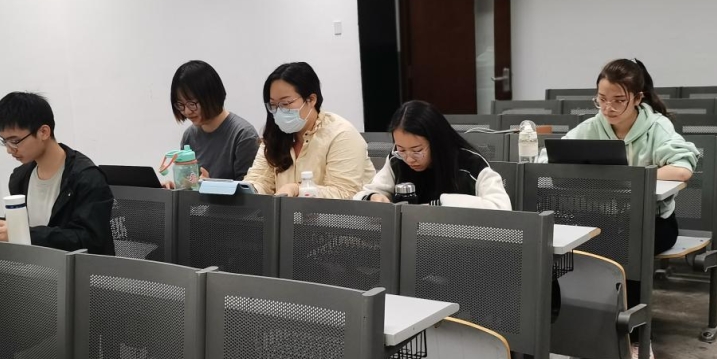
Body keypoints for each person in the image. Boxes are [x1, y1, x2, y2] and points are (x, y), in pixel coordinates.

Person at [543, 58, 699, 359]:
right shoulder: (592, 127)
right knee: (566, 250)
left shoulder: (656, 127)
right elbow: (548, 159)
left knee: (625, 249)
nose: (608, 108)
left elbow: (683, 168)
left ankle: (639, 343)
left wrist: (632, 176)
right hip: (604, 220)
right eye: (601, 99)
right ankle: (573, 336)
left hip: (653, 223)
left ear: (638, 98)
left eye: (618, 100)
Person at [0, 92, 115, 255]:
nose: (10, 150)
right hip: (34, 265)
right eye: (4, 141)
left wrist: (24, 233)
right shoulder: (20, 177)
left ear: (43, 132)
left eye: (15, 141)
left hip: (76, 269)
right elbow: (28, 226)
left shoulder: (87, 178)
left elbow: (90, 241)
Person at [243, 62, 375, 198]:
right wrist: (249, 189)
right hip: (288, 212)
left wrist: (298, 189)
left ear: (311, 99)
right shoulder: (275, 135)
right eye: (273, 105)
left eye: (285, 103)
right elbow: (259, 179)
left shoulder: (341, 134)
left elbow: (345, 194)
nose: (279, 111)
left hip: (338, 212)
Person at [355, 100, 512, 210]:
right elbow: (364, 194)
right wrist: (373, 197)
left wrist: (441, 204)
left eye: (417, 150)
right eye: (401, 149)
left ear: (436, 142)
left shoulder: (471, 165)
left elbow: (502, 208)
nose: (409, 159)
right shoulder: (397, 160)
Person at [167, 60, 259, 185]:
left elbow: (249, 191)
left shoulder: (243, 135)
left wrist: (211, 186)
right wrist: (176, 187)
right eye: (180, 105)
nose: (187, 111)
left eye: (192, 104)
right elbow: (190, 185)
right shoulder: (189, 136)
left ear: (211, 97)